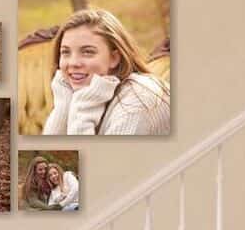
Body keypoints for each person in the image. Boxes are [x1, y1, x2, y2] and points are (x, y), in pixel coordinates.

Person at [43, 8, 171, 136]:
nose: (73, 63)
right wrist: (64, 107)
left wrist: (82, 109)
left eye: (87, 52)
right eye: (65, 52)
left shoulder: (137, 99)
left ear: (114, 58)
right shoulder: (82, 92)